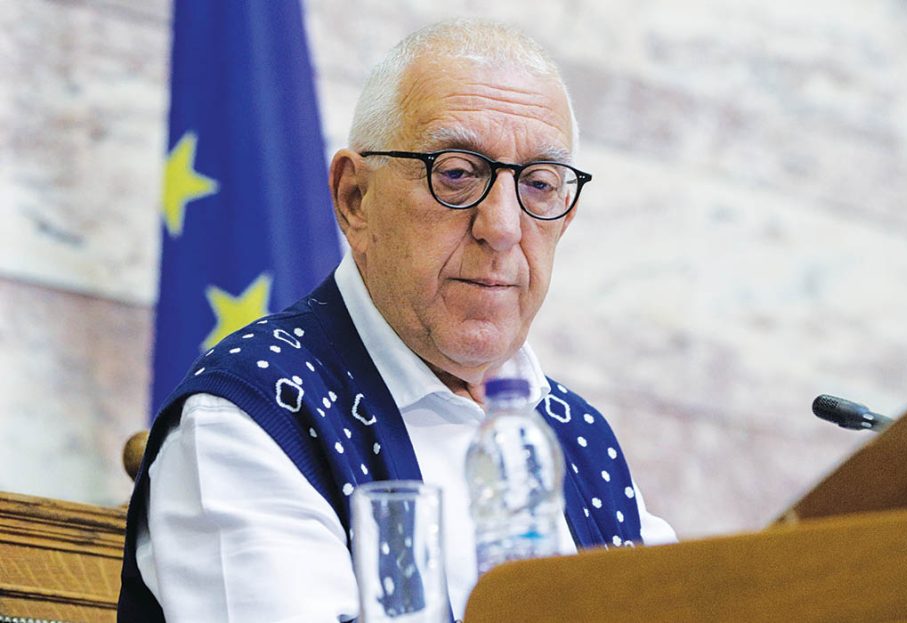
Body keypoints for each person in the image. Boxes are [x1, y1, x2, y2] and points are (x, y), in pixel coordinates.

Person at [118, 18, 675, 622]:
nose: (502, 227)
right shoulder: (251, 418)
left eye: (539, 184)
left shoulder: (580, 440)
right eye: (456, 173)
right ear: (354, 199)